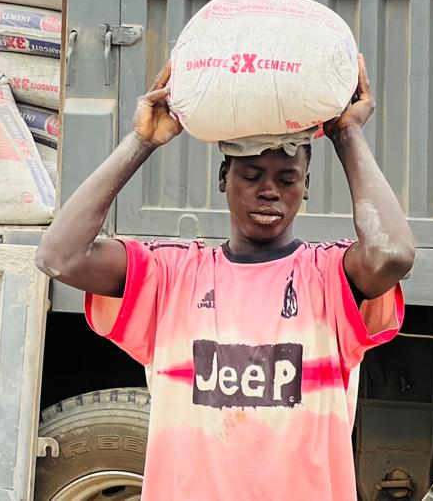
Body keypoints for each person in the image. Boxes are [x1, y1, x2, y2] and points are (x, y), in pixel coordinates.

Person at [35, 55, 414, 501]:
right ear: (223, 178)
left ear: (306, 187)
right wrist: (142, 140)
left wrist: (347, 134)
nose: (269, 190)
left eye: (287, 179)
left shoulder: (330, 278)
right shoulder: (171, 275)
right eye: (251, 175)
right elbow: (60, 256)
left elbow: (391, 253)